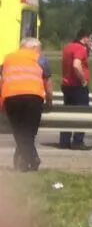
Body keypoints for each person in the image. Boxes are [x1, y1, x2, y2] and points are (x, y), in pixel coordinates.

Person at [1, 38, 53, 172]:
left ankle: (22, 163)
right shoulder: (40, 59)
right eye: (39, 49)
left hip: (11, 97)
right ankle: (33, 158)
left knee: (19, 132)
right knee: (29, 132)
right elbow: (48, 83)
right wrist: (49, 101)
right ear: (34, 48)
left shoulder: (8, 58)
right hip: (33, 97)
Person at [58, 29, 92, 150]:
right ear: (85, 38)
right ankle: (78, 141)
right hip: (78, 86)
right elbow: (76, 65)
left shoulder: (68, 47)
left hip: (67, 85)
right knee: (82, 113)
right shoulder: (80, 48)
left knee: (67, 113)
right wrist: (83, 80)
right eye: (91, 38)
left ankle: (64, 140)